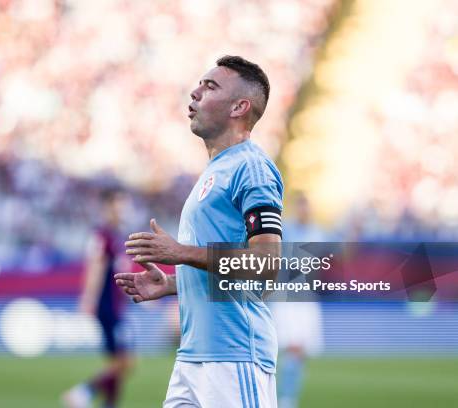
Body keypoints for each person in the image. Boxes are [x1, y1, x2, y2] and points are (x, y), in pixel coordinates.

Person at [116, 55, 283, 408]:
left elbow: (267, 264)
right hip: (193, 356)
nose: (194, 93)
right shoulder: (215, 171)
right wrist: (177, 284)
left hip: (234, 356)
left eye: (210, 87)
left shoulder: (251, 168)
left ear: (240, 106)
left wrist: (180, 254)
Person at [62, 189, 134, 408]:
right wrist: (89, 299)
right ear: (107, 207)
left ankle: (108, 403)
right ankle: (83, 392)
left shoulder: (116, 235)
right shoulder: (102, 236)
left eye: (123, 205)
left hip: (116, 305)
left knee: (119, 361)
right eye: (117, 205)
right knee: (124, 361)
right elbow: (96, 267)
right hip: (107, 306)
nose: (121, 210)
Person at [271, 192, 324, 408]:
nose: (304, 210)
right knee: (291, 347)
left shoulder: (318, 233)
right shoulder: (286, 231)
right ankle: (284, 399)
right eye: (301, 206)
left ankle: (286, 395)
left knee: (300, 352)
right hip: (287, 298)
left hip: (307, 298)